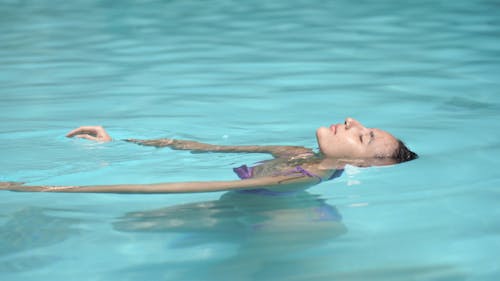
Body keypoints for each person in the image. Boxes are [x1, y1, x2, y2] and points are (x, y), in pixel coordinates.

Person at [0, 118, 417, 193]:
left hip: (266, 224)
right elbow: (202, 149)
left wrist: (47, 188)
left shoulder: (301, 174)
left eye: (363, 137)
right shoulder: (294, 152)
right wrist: (120, 142)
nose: (351, 120)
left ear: (362, 164)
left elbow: (189, 185)